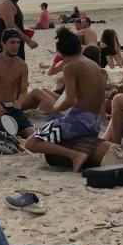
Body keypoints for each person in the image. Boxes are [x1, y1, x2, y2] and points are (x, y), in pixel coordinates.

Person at [24, 28, 109, 172]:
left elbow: (69, 100)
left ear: (61, 54)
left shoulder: (70, 67)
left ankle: (75, 155)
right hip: (95, 123)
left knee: (31, 142)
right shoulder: (92, 64)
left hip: (79, 122)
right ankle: (75, 153)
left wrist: (55, 110)